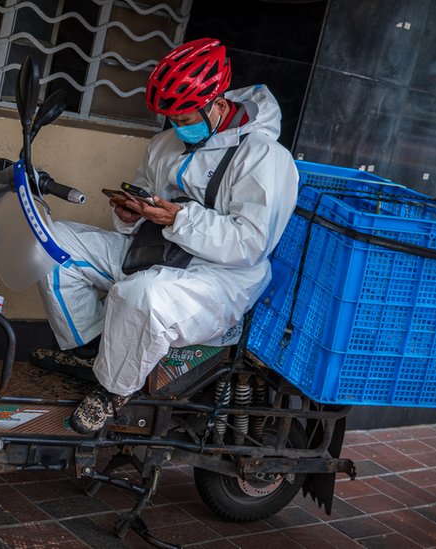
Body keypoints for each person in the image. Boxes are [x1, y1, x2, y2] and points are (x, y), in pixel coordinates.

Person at [31, 37, 300, 434]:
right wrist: (128, 214)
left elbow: (251, 245)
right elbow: (144, 199)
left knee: (139, 296)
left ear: (218, 103)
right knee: (48, 244)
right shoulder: (164, 145)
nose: (178, 127)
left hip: (217, 280)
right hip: (152, 251)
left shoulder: (265, 158)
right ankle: (93, 351)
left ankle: (113, 389)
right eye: (171, 118)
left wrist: (180, 218)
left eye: (186, 118)